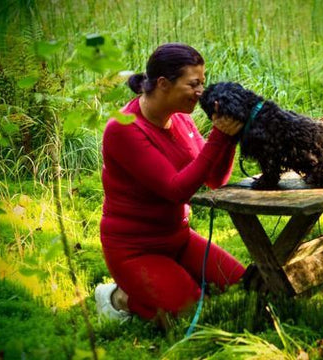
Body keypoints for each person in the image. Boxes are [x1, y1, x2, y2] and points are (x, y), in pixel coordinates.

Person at [95, 43, 246, 325]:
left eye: (203, 82)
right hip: (135, 249)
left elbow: (214, 179)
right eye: (193, 84)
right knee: (194, 315)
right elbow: (176, 190)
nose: (201, 92)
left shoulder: (180, 119)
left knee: (242, 287)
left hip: (179, 238)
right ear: (164, 83)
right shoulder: (124, 129)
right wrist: (217, 136)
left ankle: (173, 281)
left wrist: (228, 137)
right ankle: (118, 297)